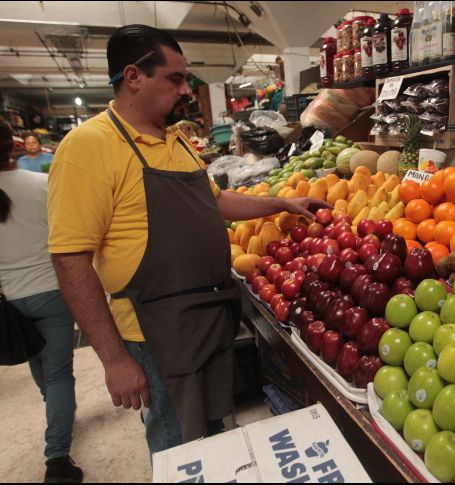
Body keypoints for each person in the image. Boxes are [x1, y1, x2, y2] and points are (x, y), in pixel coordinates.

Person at [47, 24, 330, 456]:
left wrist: (282, 203)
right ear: (133, 76)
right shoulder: (88, 146)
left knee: (219, 433)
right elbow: (70, 259)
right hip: (157, 330)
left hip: (211, 318)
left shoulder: (176, 140)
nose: (185, 89)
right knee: (178, 442)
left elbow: (215, 202)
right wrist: (114, 359)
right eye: (174, 78)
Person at [0, 121, 82, 483]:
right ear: (13, 147)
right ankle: (57, 457)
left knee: (40, 366)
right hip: (52, 291)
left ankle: (58, 416)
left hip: (8, 303)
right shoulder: (43, 185)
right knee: (59, 372)